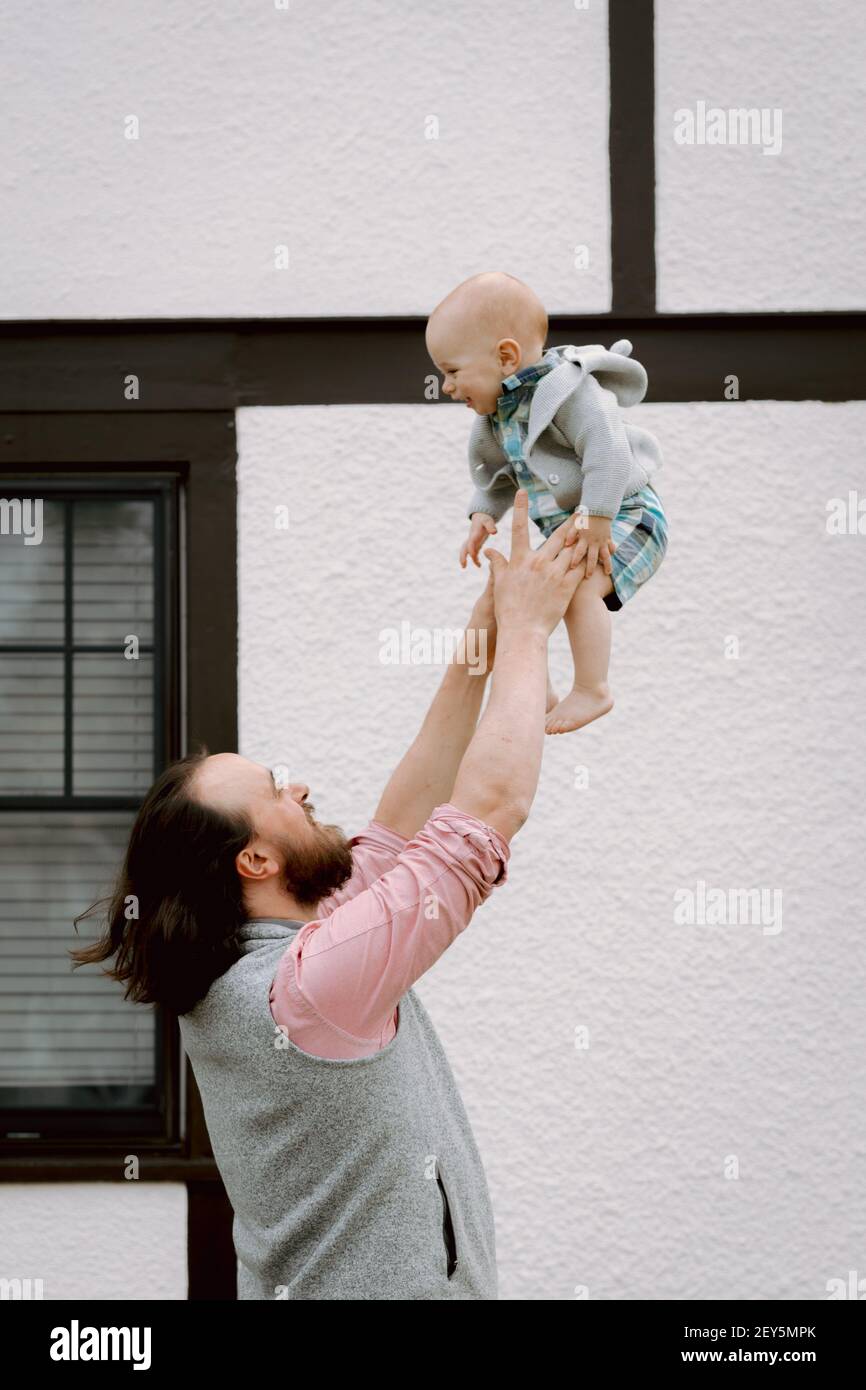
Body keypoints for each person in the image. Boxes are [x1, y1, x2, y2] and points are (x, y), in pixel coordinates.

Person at [72, 491, 589, 1300]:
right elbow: (489, 811)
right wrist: (530, 633)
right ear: (254, 860)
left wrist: (490, 624)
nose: (300, 783)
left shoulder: (283, 957)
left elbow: (411, 807)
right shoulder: (308, 992)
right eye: (277, 788)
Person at [426, 270, 669, 733]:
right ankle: (542, 691)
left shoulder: (568, 390)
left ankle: (593, 689)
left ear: (505, 356)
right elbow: (501, 475)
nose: (447, 387)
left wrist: (598, 517)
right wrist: (482, 516)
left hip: (627, 515)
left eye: (453, 371)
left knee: (580, 586)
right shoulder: (501, 413)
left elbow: (609, 450)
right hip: (580, 525)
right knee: (516, 593)